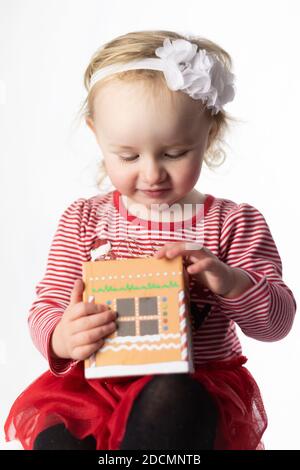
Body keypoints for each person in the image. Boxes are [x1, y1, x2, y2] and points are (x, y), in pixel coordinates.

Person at [4, 30, 296, 451]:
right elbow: (48, 305)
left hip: (195, 388)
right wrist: (60, 337)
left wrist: (230, 281)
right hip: (96, 388)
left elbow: (277, 323)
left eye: (174, 153)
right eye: (128, 155)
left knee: (172, 401)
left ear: (209, 135)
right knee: (56, 436)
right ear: (96, 135)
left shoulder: (233, 222)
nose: (152, 172)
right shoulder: (85, 220)